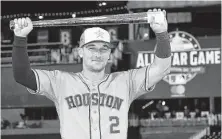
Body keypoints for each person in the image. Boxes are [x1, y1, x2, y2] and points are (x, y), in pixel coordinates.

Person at [12, 9, 171, 139]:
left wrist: (162, 33)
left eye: (103, 49)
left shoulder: (126, 82)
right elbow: (22, 75)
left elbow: (161, 68)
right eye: (91, 48)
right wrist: (20, 38)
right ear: (80, 52)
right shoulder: (60, 82)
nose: (98, 53)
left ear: (109, 54)